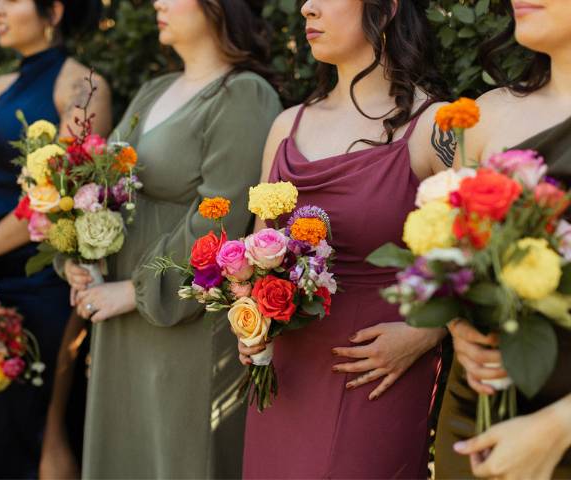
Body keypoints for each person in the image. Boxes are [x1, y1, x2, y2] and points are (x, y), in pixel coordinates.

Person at [63, 0, 282, 476]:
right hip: (119, 313)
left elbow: (220, 216)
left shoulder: (245, 95)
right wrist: (82, 255)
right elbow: (107, 187)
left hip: (181, 315)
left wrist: (136, 290)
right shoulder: (153, 90)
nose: (158, 2)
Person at [238, 0, 454, 477]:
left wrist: (428, 331)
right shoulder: (285, 127)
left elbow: (479, 252)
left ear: (387, 7)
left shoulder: (433, 127)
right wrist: (248, 322)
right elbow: (255, 256)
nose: (306, 7)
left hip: (374, 373)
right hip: (285, 376)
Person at [0, 0, 110, 476]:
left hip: (43, 281)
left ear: (53, 10)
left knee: (44, 429)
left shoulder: (83, 85)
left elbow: (59, 197)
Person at [434, 1, 571, 477]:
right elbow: (449, 257)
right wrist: (458, 329)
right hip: (475, 409)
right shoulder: (485, 116)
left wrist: (559, 426)